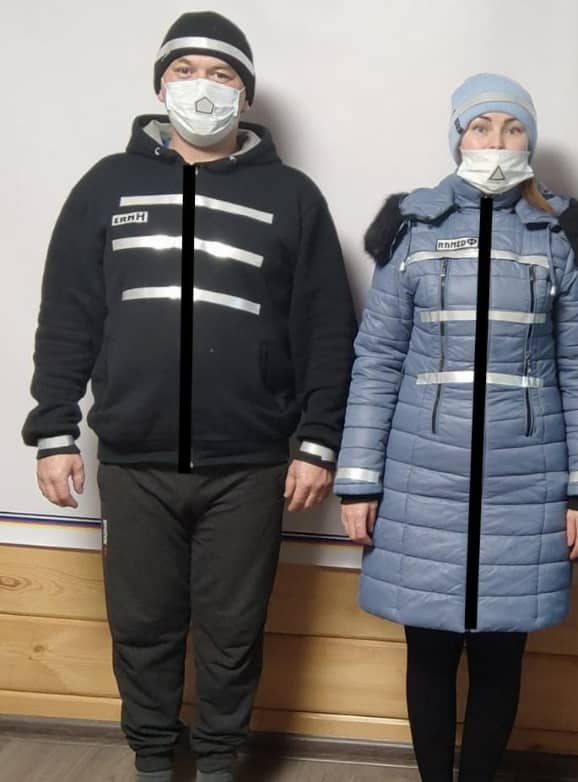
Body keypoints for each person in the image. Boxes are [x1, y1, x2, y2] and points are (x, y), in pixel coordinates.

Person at [22, 12, 356, 781]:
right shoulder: (107, 185)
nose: (201, 87)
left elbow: (326, 329)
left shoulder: (292, 197)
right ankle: (150, 760)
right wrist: (54, 430)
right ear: (159, 87)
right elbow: (68, 314)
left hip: (251, 465)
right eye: (185, 71)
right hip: (134, 462)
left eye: (221, 74)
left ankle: (217, 764)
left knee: (234, 630)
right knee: (142, 624)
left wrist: (318, 441)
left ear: (246, 93)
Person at [335, 72, 578, 781]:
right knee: (427, 652)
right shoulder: (412, 228)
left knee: (500, 654)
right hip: (421, 482)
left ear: (530, 142)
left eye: (512, 129)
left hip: (528, 485)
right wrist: (357, 480)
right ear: (458, 137)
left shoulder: (562, 236)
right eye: (481, 127)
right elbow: (376, 360)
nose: (496, 141)